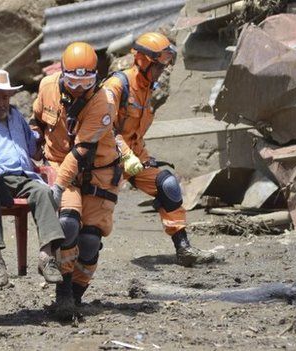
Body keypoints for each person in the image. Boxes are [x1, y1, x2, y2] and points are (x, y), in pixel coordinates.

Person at [103, 32, 215, 267]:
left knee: (168, 185)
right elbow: (103, 128)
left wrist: (137, 156)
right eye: (159, 65)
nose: (162, 70)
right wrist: (125, 155)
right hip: (109, 159)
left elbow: (135, 133)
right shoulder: (117, 86)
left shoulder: (147, 88)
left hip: (135, 158)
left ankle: (183, 249)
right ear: (144, 61)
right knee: (96, 221)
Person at [30, 42, 121, 319]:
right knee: (68, 222)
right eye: (73, 82)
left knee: (90, 240)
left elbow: (82, 151)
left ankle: (77, 294)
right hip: (58, 164)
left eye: (86, 83)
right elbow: (36, 121)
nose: (79, 89)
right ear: (62, 73)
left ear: (97, 77)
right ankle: (64, 292)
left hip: (97, 171)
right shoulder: (47, 86)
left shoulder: (103, 102)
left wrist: (57, 187)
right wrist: (34, 145)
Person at [0, 69, 65, 288]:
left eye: (5, 97)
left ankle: (46, 257)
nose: (2, 103)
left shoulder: (16, 116)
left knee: (43, 192)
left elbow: (33, 149)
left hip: (23, 177)